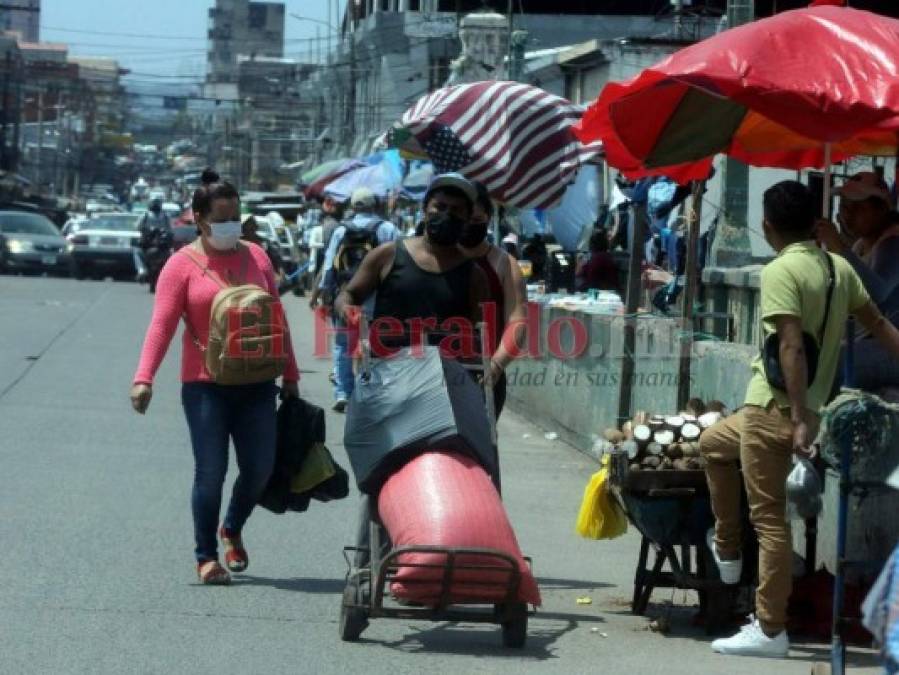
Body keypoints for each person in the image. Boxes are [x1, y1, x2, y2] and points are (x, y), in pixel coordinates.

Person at [700, 180, 899, 658]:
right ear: (816, 222)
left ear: (767, 226)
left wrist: (799, 417)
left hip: (776, 407)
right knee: (711, 444)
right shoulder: (837, 268)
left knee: (769, 520)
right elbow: (880, 327)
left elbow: (789, 345)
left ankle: (770, 629)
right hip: (774, 407)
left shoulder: (781, 271)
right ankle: (727, 549)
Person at [130, 169, 301, 586]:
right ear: (200, 218)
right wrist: (144, 377)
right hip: (205, 385)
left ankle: (232, 526)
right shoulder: (180, 265)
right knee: (211, 471)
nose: (231, 224)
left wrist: (292, 375)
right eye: (222, 216)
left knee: (259, 469)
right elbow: (162, 326)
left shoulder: (257, 256)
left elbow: (277, 319)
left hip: (258, 384)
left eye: (236, 215)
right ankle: (206, 557)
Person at [816, 171, 899, 392]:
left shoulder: (892, 243)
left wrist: (839, 246)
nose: (847, 216)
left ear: (881, 209)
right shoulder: (861, 244)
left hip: (890, 348)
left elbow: (878, 295)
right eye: (844, 207)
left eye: (857, 208)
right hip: (867, 342)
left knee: (824, 368)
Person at [317, 188, 398, 411]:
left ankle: (343, 392)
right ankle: (366, 391)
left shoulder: (341, 230)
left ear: (353, 206)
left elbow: (328, 264)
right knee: (371, 345)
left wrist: (326, 291)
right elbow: (401, 262)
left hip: (346, 298)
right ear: (375, 204)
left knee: (344, 346)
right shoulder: (388, 229)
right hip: (377, 299)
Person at [458, 181, 528, 419]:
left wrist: (497, 365)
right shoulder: (433, 260)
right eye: (464, 218)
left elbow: (517, 321)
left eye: (476, 220)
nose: (469, 226)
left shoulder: (504, 264)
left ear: (487, 217)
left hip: (483, 373)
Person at [576, 229, 620, 294]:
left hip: (600, 290)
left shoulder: (599, 257)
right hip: (601, 287)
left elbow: (588, 276)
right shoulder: (604, 256)